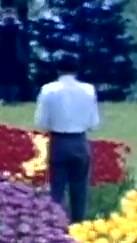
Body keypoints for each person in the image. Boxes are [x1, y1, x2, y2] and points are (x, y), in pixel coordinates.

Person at [34, 54, 100, 223]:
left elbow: (41, 122)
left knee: (56, 188)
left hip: (59, 141)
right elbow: (93, 122)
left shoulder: (48, 89)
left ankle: (54, 226)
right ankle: (78, 225)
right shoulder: (88, 90)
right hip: (80, 140)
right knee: (79, 189)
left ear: (58, 69)